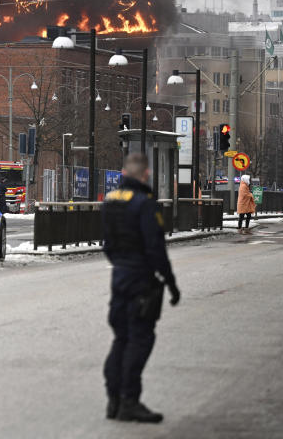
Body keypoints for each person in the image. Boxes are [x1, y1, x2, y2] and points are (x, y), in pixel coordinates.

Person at [101, 152, 180, 424]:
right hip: (141, 279)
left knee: (121, 338)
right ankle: (129, 402)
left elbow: (107, 245)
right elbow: (155, 248)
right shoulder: (145, 204)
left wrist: (121, 265)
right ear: (145, 174)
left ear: (123, 173)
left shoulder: (110, 201)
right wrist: (170, 282)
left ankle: (113, 399)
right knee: (141, 338)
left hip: (119, 276)